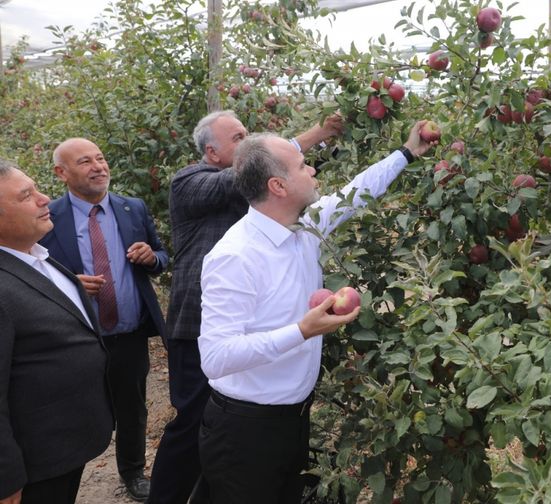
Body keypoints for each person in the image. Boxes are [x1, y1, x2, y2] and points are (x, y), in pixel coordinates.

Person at [196, 120, 434, 503]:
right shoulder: (235, 256)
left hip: (291, 419)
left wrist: (406, 154)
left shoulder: (303, 226)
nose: (312, 170)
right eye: (303, 165)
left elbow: (355, 193)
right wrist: (301, 331)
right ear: (278, 186)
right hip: (245, 431)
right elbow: (215, 357)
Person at [147, 110, 344, 504]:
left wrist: (405, 153)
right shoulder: (191, 183)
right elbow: (217, 358)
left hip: (278, 406)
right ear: (212, 151)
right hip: (196, 328)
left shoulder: (294, 227)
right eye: (238, 138)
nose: (246, 142)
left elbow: (344, 197)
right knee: (192, 427)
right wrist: (313, 135)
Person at [38, 138, 169, 502]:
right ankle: (66, 477)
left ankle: (132, 471)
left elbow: (161, 255)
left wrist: (151, 257)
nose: (98, 166)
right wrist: (69, 284)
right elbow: (34, 270)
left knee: (132, 406)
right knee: (74, 409)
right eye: (85, 162)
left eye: (100, 158)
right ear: (61, 173)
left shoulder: (132, 209)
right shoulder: (48, 216)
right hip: (77, 337)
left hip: (127, 333)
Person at [0, 160, 113, 504]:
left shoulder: (37, 257)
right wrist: (6, 478)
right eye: (26, 196)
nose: (44, 198)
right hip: (33, 466)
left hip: (63, 448)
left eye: (37, 189)